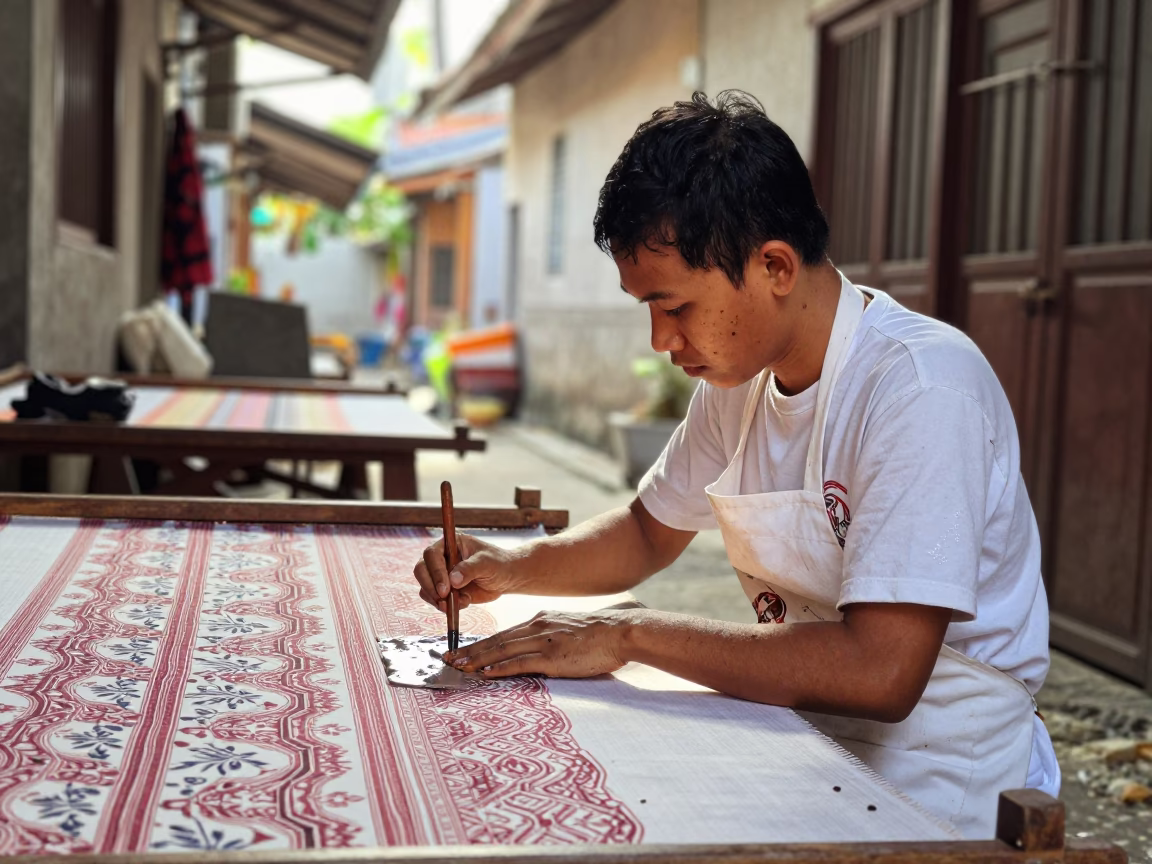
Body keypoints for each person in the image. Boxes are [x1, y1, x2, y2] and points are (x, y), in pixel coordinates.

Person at [412, 91, 1059, 839]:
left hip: (939, 780)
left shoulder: (920, 386)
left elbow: (881, 674)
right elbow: (647, 534)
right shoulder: (740, 379)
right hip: (802, 737)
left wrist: (625, 635)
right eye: (646, 309)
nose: (660, 338)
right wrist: (512, 565)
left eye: (675, 306)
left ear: (775, 265)